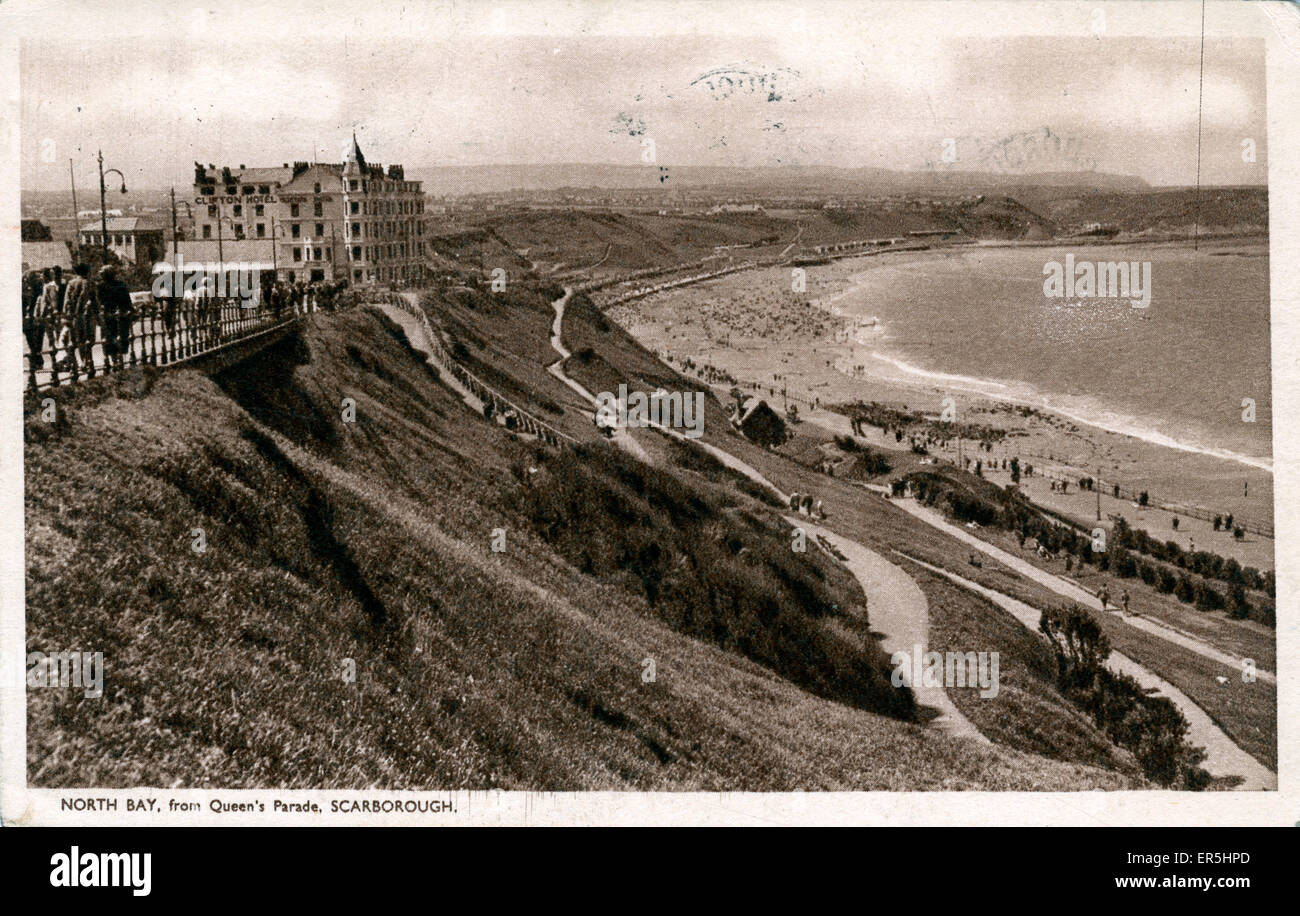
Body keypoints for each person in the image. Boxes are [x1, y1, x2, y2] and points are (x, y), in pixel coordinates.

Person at [64, 263, 98, 378]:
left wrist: (67, 314)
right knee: (88, 340)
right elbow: (95, 301)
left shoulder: (71, 283)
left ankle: (74, 368)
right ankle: (88, 363)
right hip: (88, 316)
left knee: (74, 341)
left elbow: (67, 301)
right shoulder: (90, 283)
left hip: (74, 316)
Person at [97, 265, 133, 371]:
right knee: (114, 337)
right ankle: (116, 359)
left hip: (112, 315)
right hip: (114, 315)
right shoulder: (118, 285)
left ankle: (115, 359)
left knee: (113, 337)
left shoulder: (102, 286)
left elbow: (100, 302)